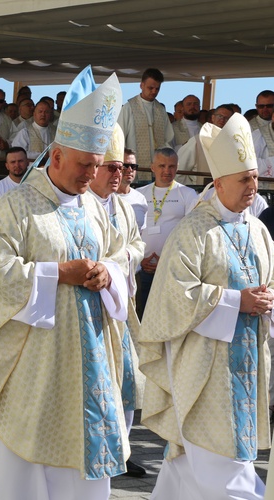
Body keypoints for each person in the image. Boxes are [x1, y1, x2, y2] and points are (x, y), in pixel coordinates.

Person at [0, 67, 130, 500]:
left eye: (97, 165)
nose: (91, 174)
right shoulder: (18, 208)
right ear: (57, 157)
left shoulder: (96, 209)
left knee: (86, 461)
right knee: (28, 464)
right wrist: (56, 274)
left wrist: (110, 272)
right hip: (31, 361)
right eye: (84, 164)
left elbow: (122, 253)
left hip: (90, 357)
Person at [137, 113, 274, 500]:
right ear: (217, 184)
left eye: (254, 177)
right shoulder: (194, 231)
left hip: (248, 363)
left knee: (188, 467)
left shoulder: (259, 230)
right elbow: (172, 298)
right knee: (225, 466)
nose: (252, 186)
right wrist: (236, 300)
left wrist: (266, 300)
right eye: (243, 179)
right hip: (206, 369)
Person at [88, 126, 148, 478]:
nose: (119, 175)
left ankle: (122, 449)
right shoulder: (80, 206)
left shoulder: (123, 207)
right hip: (93, 311)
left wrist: (118, 260)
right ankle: (99, 445)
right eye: (111, 168)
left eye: (122, 169)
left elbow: (137, 245)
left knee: (126, 381)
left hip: (122, 310)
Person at [135, 147, 197, 318]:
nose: (167, 171)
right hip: (143, 267)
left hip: (172, 268)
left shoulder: (187, 194)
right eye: (162, 166)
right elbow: (131, 231)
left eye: (171, 166)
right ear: (152, 167)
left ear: (177, 168)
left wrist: (169, 259)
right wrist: (140, 261)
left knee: (169, 317)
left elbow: (192, 234)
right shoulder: (139, 194)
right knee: (142, 316)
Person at [118, 68, 174, 180]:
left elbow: (168, 139)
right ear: (141, 85)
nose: (154, 91)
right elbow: (120, 137)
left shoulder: (160, 110)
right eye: (150, 88)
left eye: (157, 89)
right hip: (134, 168)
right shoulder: (129, 108)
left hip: (157, 169)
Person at [0, 147, 28, 215]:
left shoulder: (37, 185)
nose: (17, 165)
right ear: (7, 166)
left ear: (27, 162)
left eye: (20, 161)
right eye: (13, 162)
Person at [117, 149, 148, 230]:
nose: (130, 170)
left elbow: (142, 232)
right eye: (125, 166)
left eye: (133, 166)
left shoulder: (140, 198)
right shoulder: (106, 197)